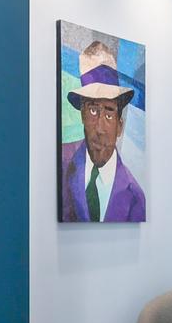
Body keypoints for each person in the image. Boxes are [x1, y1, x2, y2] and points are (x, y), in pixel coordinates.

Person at [59, 39, 146, 222]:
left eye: (108, 114)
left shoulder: (135, 197)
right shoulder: (62, 160)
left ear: (120, 126)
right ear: (82, 115)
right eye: (92, 110)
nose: (99, 128)